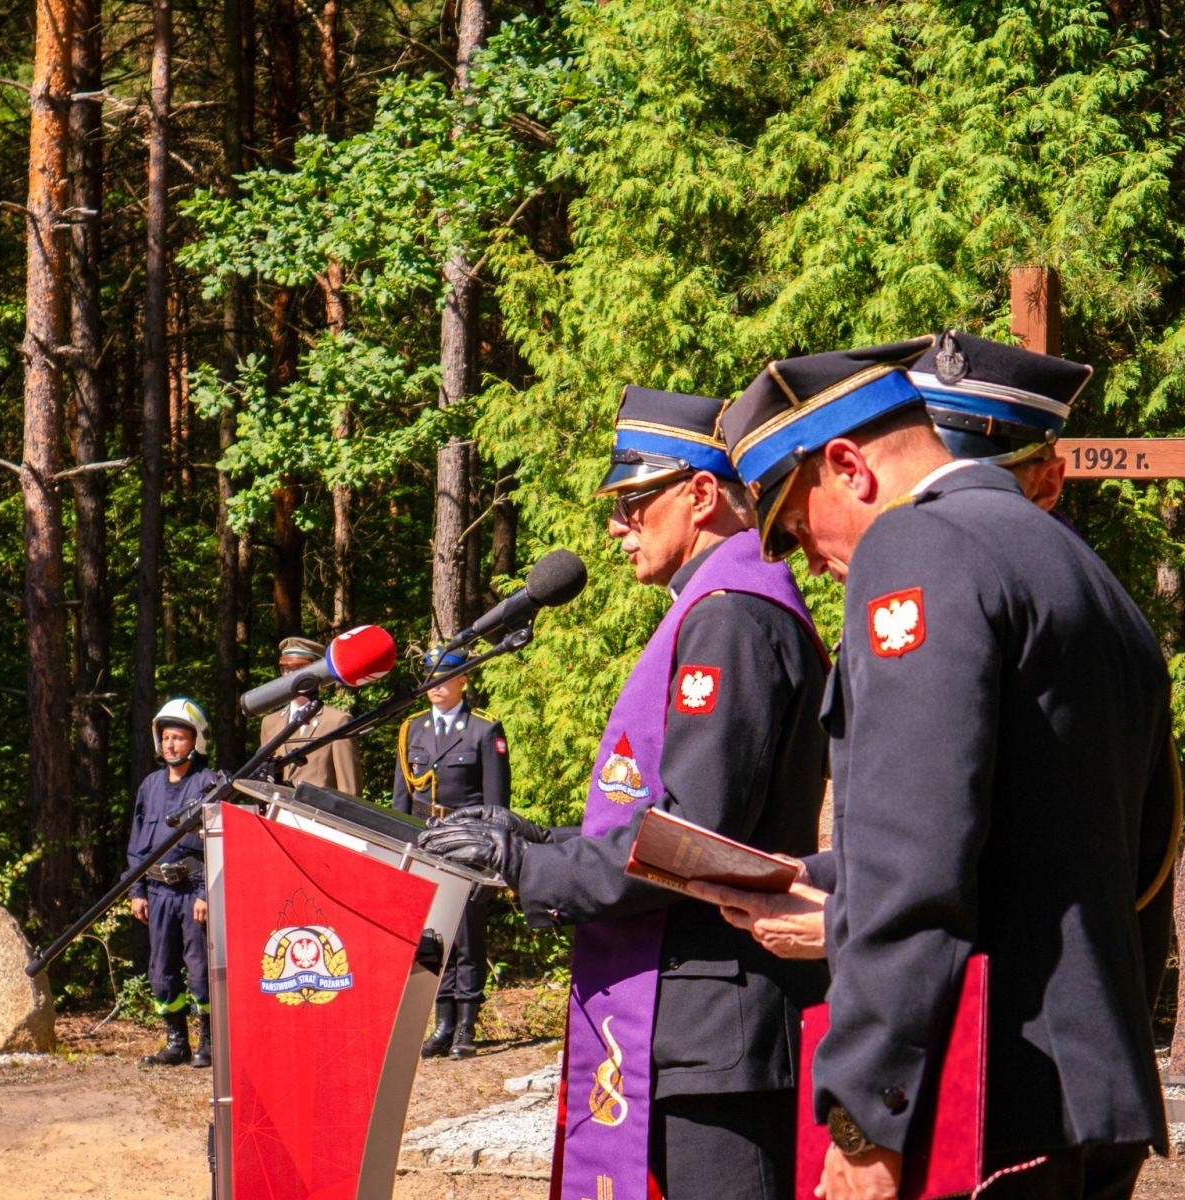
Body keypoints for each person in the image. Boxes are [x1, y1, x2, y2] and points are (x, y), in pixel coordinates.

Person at [718, 340, 1171, 1200]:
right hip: (1088, 1084)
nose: (807, 561)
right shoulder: (1083, 570)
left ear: (846, 466)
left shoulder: (916, 550)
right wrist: (827, 882)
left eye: (791, 527)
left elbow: (913, 862)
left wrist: (862, 1116)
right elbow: (1099, 844)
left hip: (980, 1090)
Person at [419, 386, 830, 1200]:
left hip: (722, 1024)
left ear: (703, 494)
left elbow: (696, 833)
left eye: (636, 502)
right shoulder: (716, 607)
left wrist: (528, 869)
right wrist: (538, 842)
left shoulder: (734, 617)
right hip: (702, 1018)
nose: (616, 527)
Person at [392, 648, 511, 1058]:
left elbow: (497, 804)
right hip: (426, 840)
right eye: (430, 677)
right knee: (433, 932)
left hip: (467, 840)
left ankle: (465, 1024)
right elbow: (401, 801)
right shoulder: (413, 730)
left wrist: (491, 854)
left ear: (463, 681)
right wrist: (401, 850)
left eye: (445, 677)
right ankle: (440, 1022)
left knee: (466, 932)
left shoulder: (483, 729)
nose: (436, 684)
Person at [127, 697, 219, 1069]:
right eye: (166, 737)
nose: (170, 745)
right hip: (158, 892)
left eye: (179, 737)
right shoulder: (149, 786)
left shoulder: (208, 782)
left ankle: (209, 1043)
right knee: (161, 969)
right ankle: (176, 1041)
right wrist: (136, 890)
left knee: (200, 969)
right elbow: (137, 843)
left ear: (195, 741)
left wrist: (204, 893)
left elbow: (217, 842)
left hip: (193, 893)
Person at [257, 636, 363, 794]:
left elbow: (349, 789)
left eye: (298, 669)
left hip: (319, 815)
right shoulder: (270, 723)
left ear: (316, 673)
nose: (290, 676)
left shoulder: (336, 722)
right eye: (286, 669)